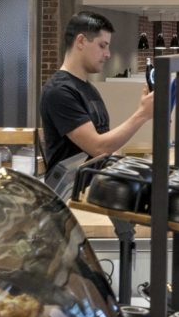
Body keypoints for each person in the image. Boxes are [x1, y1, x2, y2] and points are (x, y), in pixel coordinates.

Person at [37, 10, 152, 194]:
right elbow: (98, 147)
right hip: (70, 198)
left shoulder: (88, 88)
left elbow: (105, 146)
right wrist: (142, 114)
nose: (108, 54)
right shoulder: (59, 91)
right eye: (102, 45)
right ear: (81, 41)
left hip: (93, 192)